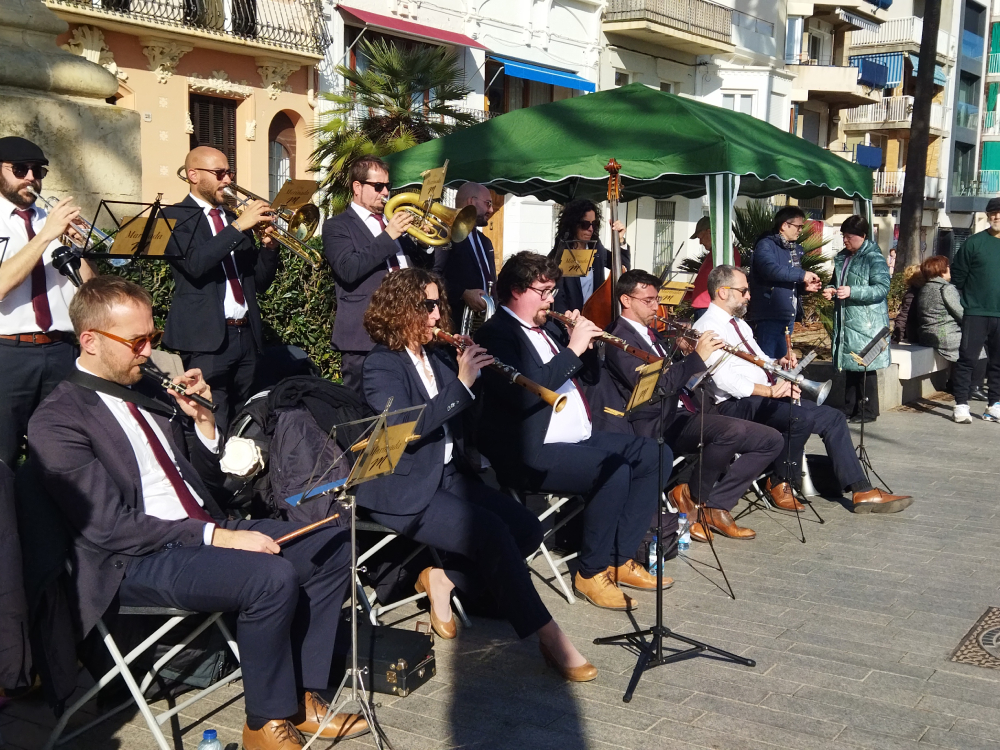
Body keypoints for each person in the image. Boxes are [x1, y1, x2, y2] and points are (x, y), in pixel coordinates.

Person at [27, 277, 364, 750]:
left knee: (330, 543)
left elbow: (201, 482)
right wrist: (217, 538)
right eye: (137, 341)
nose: (149, 351)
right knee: (270, 577)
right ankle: (264, 723)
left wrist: (204, 423)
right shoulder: (57, 419)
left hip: (199, 529)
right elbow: (108, 526)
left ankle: (299, 697)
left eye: (153, 337)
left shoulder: (146, 388)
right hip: (133, 557)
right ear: (90, 341)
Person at [356, 268, 597, 682]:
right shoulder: (381, 364)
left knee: (526, 529)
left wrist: (482, 377)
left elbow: (464, 414)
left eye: (438, 305)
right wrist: (462, 384)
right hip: (404, 487)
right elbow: (407, 430)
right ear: (401, 309)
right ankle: (550, 636)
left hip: (448, 476)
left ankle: (444, 579)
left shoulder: (435, 357)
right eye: (427, 306)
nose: (437, 315)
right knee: (491, 534)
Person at [474, 252, 664, 611]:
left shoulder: (547, 329)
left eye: (553, 292)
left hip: (577, 437)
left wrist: (585, 347)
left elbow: (587, 377)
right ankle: (591, 572)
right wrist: (573, 348)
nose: (550, 300)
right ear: (516, 291)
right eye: (543, 292)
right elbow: (524, 391)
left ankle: (619, 558)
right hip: (530, 449)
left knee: (654, 453)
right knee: (613, 470)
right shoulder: (495, 334)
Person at [694, 264, 912, 514]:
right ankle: (780, 481)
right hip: (733, 404)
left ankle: (861, 490)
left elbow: (758, 359)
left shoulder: (739, 325)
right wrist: (770, 391)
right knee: (799, 417)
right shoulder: (707, 327)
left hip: (761, 395)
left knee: (833, 417)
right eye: (743, 291)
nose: (749, 296)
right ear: (723, 292)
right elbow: (724, 381)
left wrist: (778, 363)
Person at [588, 270, 784, 541]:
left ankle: (712, 503)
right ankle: (695, 500)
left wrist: (683, 352)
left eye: (657, 299)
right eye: (648, 300)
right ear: (626, 300)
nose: (656, 307)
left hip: (685, 410)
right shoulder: (618, 339)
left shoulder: (651, 333)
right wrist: (696, 359)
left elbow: (675, 374)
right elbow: (655, 388)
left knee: (771, 439)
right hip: (657, 421)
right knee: (733, 432)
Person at [162, 146, 280, 434]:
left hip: (246, 335)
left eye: (229, 173)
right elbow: (195, 265)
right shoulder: (174, 216)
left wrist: (269, 248)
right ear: (193, 175)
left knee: (246, 418)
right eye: (219, 173)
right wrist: (238, 227)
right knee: (212, 417)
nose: (227, 180)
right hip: (205, 340)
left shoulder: (231, 218)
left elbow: (258, 283)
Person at [0, 136, 95, 468]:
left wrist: (80, 250)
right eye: (20, 169)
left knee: (63, 452)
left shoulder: (50, 220)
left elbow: (88, 290)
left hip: (60, 349)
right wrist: (45, 237)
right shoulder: (45, 227)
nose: (31, 178)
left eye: (38, 171)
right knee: (3, 455)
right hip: (8, 353)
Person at [322, 156, 426, 396]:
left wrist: (424, 244)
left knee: (406, 398)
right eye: (378, 186)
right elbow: (348, 269)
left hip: (406, 326)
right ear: (357, 187)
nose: (386, 192)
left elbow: (422, 269)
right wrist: (388, 236)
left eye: (388, 186)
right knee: (361, 404)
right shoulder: (337, 226)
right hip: (363, 335)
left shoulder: (393, 223)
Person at [822, 215, 890, 424]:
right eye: (844, 236)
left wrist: (853, 291)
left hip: (867, 321)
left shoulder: (874, 258)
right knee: (850, 365)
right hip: (848, 318)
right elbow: (837, 282)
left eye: (849, 236)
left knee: (865, 366)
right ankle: (850, 407)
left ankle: (868, 410)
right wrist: (831, 289)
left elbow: (882, 288)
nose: (845, 240)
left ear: (862, 236)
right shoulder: (843, 257)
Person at [747, 206, 822, 361]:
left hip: (787, 315)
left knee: (784, 362)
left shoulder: (793, 249)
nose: (800, 230)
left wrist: (804, 287)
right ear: (784, 225)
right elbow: (769, 270)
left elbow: (788, 279)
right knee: (768, 362)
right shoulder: (765, 245)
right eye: (798, 226)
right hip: (770, 315)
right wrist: (802, 275)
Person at [950, 197, 1000, 424]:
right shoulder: (974, 243)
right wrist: (970, 299)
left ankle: (994, 405)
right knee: (968, 359)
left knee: (998, 362)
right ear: (988, 216)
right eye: (993, 213)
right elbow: (958, 275)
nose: (997, 216)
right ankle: (961, 404)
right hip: (976, 312)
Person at [916, 255, 988, 401]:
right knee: (980, 348)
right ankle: (975, 387)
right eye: (947, 266)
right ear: (941, 270)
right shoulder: (946, 288)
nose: (950, 269)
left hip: (927, 334)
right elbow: (961, 313)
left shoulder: (925, 288)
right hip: (945, 334)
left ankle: (954, 383)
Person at [549, 198, 630, 314]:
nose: (590, 229)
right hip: (571, 319)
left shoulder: (596, 248)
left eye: (594, 224)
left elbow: (623, 268)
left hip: (596, 316)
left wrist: (620, 240)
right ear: (573, 224)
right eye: (585, 224)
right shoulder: (560, 253)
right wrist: (569, 320)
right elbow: (557, 296)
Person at [437, 182, 496, 329]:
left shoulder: (485, 241)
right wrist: (463, 293)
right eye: (488, 203)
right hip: (455, 323)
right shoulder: (444, 234)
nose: (491, 210)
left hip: (482, 324)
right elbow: (433, 276)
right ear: (471, 201)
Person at [684, 216, 742, 322]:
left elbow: (728, 280)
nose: (700, 242)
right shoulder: (713, 253)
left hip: (711, 307)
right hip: (704, 306)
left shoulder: (726, 253)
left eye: (700, 237)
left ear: (709, 232)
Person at [890, 264, 924, 345]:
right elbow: (904, 316)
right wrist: (896, 337)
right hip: (916, 336)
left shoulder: (919, 291)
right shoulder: (912, 294)